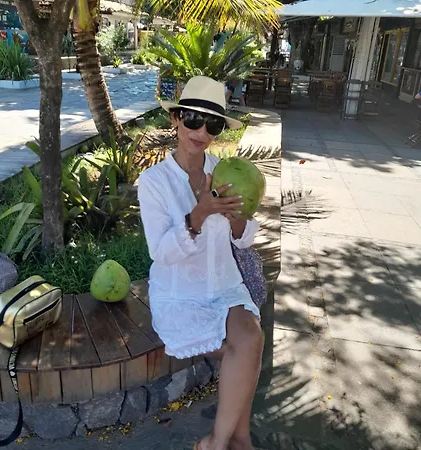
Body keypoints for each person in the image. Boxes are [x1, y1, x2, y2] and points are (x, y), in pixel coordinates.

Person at [138, 76, 263, 450]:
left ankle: (219, 442)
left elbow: (244, 238)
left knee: (250, 338)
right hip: (181, 293)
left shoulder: (224, 171)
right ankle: (237, 440)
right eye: (193, 119)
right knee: (245, 348)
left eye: (213, 125)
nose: (201, 132)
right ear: (175, 118)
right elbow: (161, 252)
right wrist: (199, 215)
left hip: (224, 284)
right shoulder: (154, 182)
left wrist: (235, 217)